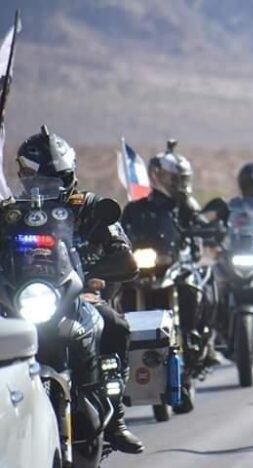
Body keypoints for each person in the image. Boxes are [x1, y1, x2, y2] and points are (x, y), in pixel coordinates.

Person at [15, 126, 143, 453]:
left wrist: (98, 270)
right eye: (36, 180)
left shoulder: (89, 207)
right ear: (23, 177)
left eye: (54, 179)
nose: (44, 188)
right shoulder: (12, 214)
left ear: (69, 175)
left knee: (114, 324)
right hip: (25, 299)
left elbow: (122, 253)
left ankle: (115, 421)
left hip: (77, 294)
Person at [121, 140, 222, 371]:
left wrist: (209, 230)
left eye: (182, 179)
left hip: (177, 264)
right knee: (120, 290)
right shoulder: (136, 208)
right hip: (147, 265)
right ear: (158, 177)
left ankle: (203, 339)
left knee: (203, 285)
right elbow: (122, 230)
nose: (179, 184)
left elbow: (201, 223)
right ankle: (122, 352)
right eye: (175, 179)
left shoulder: (186, 206)